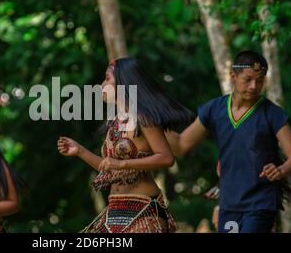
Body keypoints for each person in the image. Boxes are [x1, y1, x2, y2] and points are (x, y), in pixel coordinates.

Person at [165, 50, 291, 233]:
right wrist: (148, 120)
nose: (254, 86)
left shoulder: (272, 114)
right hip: (228, 204)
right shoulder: (214, 109)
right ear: (233, 75)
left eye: (260, 80)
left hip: (260, 203)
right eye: (248, 79)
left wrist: (280, 170)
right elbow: (181, 145)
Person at [57, 57, 194, 233]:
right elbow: (110, 169)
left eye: (107, 79)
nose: (101, 85)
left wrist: (123, 163)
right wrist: (80, 151)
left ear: (123, 84)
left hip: (144, 211)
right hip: (114, 209)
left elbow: (167, 158)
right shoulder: (114, 122)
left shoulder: (143, 118)